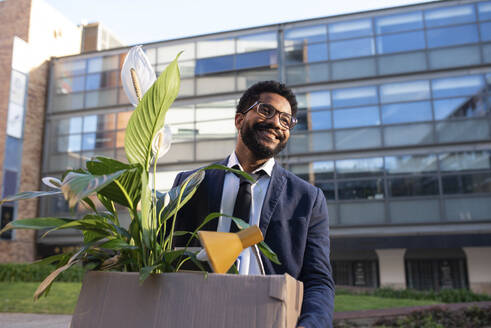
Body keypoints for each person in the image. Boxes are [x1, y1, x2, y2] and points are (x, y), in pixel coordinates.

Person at [171, 81, 335, 328]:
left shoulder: (308, 199)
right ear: (239, 120)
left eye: (285, 120)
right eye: (266, 111)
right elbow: (167, 259)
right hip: (195, 317)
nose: (275, 123)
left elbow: (318, 280)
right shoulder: (190, 183)